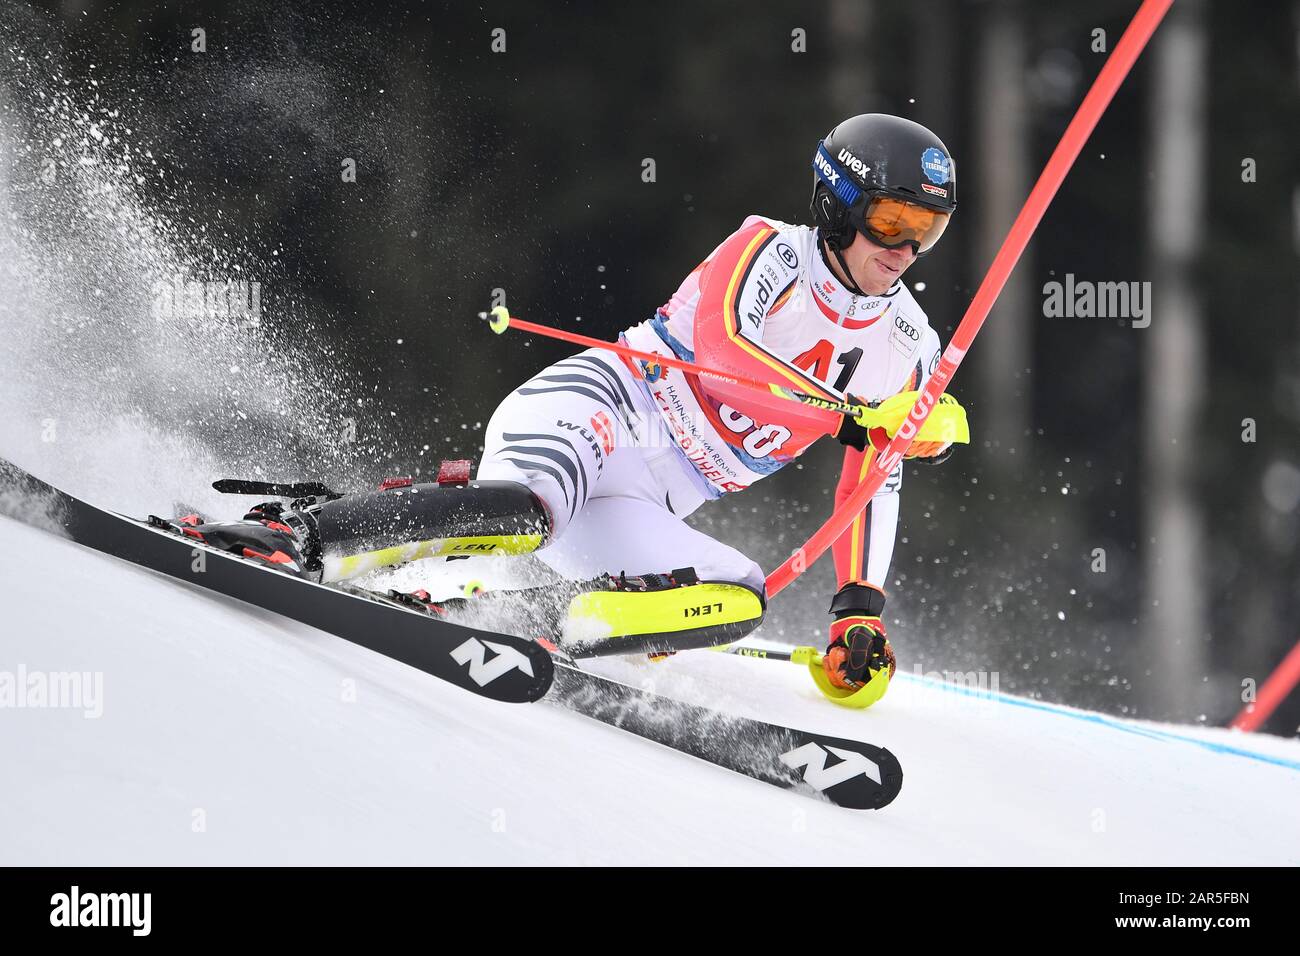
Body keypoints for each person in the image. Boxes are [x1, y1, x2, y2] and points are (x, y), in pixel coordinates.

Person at [180, 113, 963, 693]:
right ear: (837, 203)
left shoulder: (909, 343)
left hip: (652, 500)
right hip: (605, 411)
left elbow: (872, 480)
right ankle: (294, 534)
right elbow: (725, 359)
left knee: (735, 597)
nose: (902, 250)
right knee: (527, 514)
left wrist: (858, 610)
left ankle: (508, 625)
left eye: (925, 230)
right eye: (890, 220)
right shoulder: (769, 250)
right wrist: (852, 417)